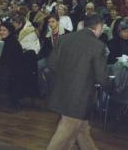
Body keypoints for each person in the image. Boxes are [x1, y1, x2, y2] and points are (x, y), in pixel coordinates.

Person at [46, 14, 108, 150]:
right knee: (64, 134)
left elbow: (51, 64)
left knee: (82, 131)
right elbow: (101, 77)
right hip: (80, 97)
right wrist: (113, 87)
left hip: (62, 91)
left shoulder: (64, 39)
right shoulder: (98, 46)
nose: (102, 31)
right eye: (102, 28)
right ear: (98, 27)